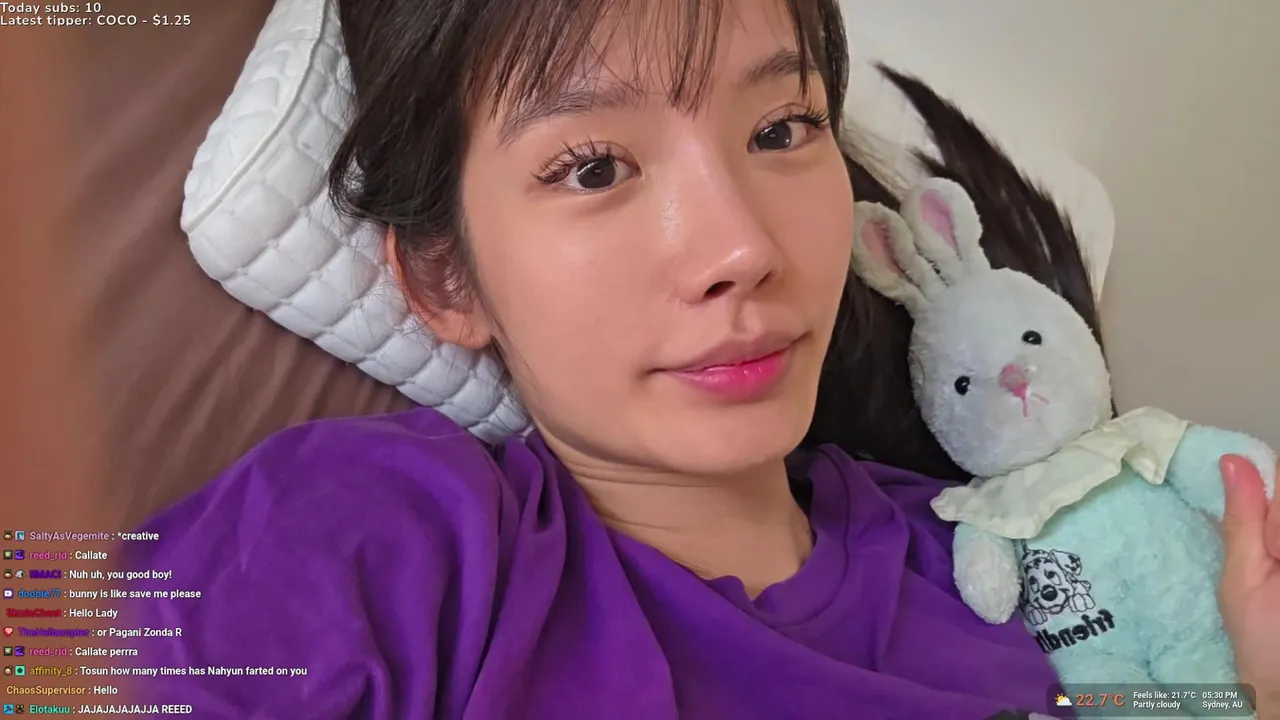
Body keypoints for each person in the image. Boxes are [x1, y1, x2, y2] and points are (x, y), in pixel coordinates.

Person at [119, 0, 1280, 717]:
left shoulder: (984, 555)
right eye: (592, 168)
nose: (742, 247)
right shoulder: (377, 540)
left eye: (781, 130)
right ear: (445, 281)